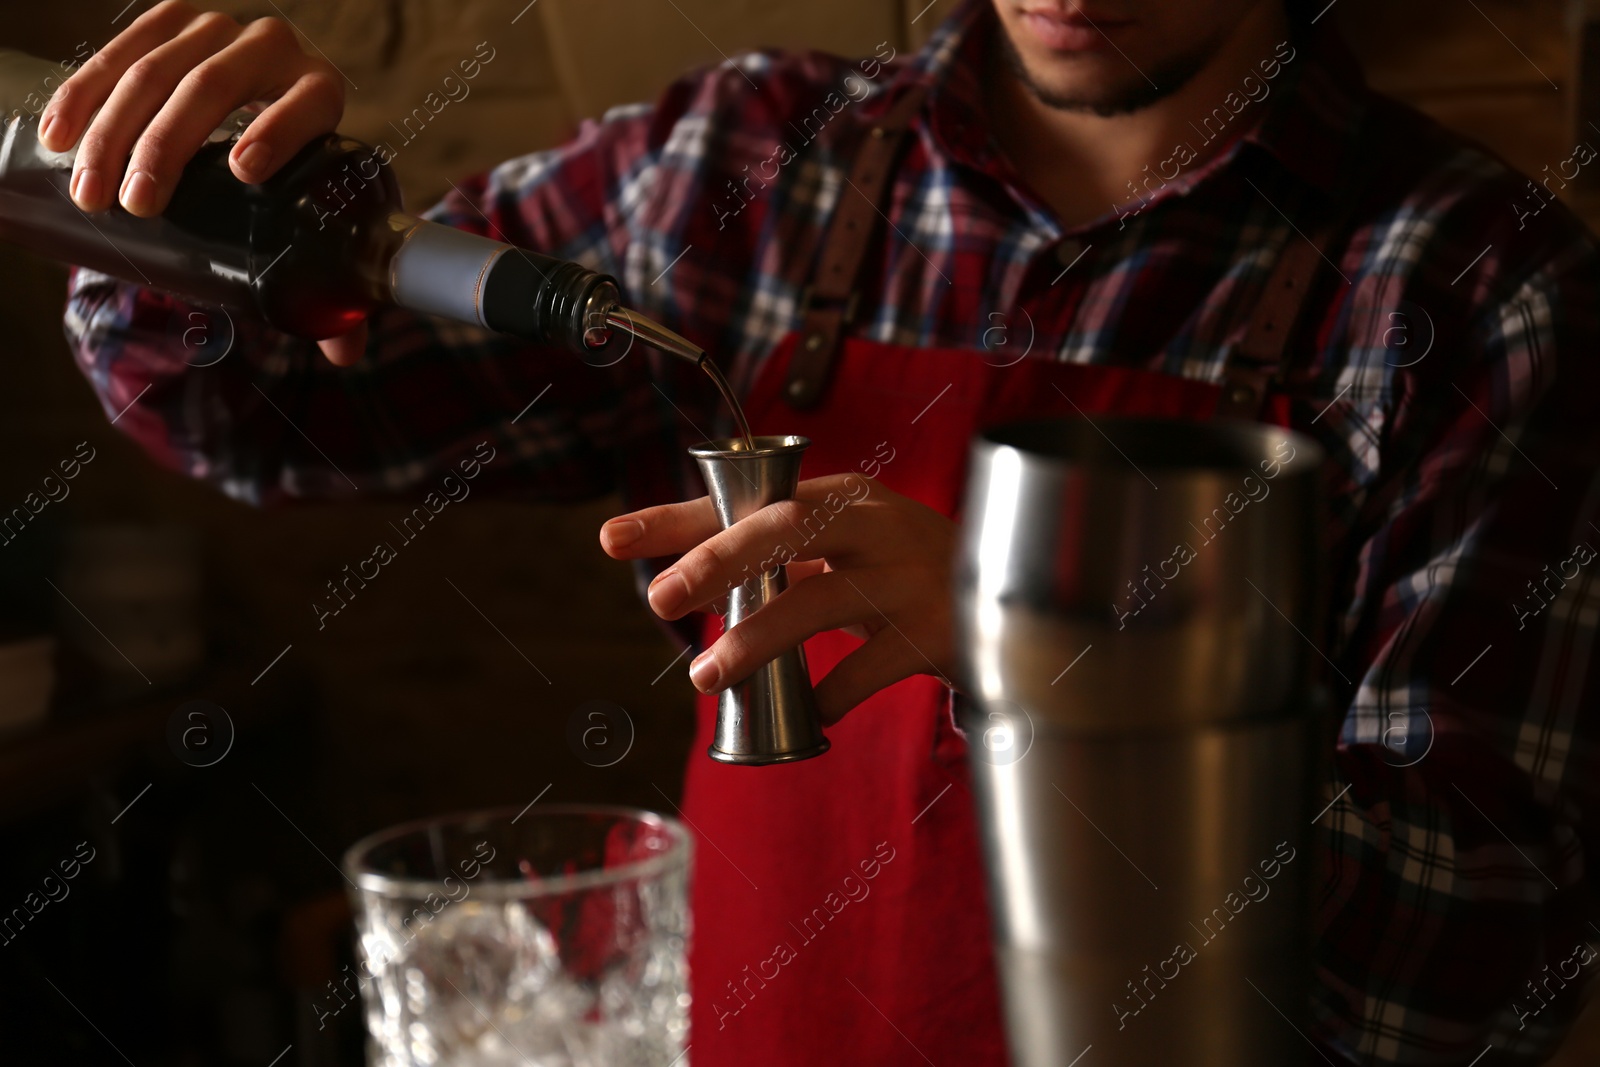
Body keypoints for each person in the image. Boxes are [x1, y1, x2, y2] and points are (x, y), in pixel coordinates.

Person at [50, 0, 1600, 1062]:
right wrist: (205, 223)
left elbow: (1463, 978)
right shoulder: (752, 167)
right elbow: (260, 419)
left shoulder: (1471, 291)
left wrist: (1049, 652)